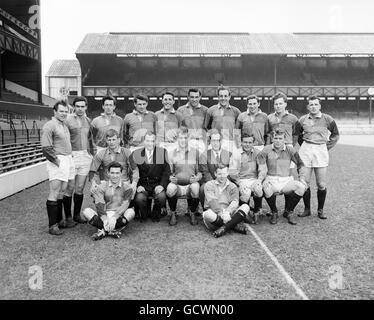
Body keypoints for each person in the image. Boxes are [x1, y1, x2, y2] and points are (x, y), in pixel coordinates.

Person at [295, 95, 340, 220]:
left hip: (321, 150)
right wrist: (304, 145)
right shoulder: (302, 119)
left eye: (316, 104)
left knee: (321, 183)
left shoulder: (327, 119)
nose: (313, 107)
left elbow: (335, 134)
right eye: (311, 104)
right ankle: (307, 209)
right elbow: (297, 134)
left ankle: (320, 210)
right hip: (306, 150)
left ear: (320, 106)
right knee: (304, 182)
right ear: (307, 106)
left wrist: (327, 146)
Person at [258, 129, 307, 225]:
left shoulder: (290, 150)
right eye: (276, 138)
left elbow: (300, 164)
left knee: (301, 187)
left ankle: (288, 211)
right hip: (271, 179)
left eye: (280, 138)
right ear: (272, 139)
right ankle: (274, 212)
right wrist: (262, 179)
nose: (278, 141)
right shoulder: (266, 149)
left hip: (286, 181)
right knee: (266, 187)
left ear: (285, 139)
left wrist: (302, 178)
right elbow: (262, 167)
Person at [41, 100, 75, 235]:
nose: (64, 113)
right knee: (54, 191)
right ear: (55, 111)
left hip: (68, 158)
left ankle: (60, 220)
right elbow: (46, 147)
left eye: (66, 111)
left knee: (63, 190)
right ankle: (52, 225)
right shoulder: (50, 125)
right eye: (61, 111)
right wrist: (57, 161)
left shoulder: (63, 125)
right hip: (58, 160)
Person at [62, 96, 95, 226]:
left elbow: (91, 140)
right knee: (69, 187)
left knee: (80, 187)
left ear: (86, 107)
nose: (80, 109)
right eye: (78, 106)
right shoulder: (67, 120)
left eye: (83, 106)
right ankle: (68, 217)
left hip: (85, 156)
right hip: (72, 155)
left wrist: (92, 155)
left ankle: (76, 215)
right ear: (74, 107)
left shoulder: (88, 121)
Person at [82, 162, 135, 240]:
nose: (115, 176)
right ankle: (112, 230)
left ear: (121, 173)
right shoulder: (101, 187)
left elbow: (125, 205)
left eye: (117, 173)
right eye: (112, 173)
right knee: (86, 211)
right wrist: (105, 219)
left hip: (119, 217)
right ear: (108, 173)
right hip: (104, 215)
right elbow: (100, 205)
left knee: (131, 212)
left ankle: (103, 231)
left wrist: (114, 217)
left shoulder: (127, 188)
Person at [131, 131, 171, 222]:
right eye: (148, 141)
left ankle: (156, 213)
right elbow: (133, 172)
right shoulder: (136, 153)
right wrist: (138, 186)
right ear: (144, 141)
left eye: (152, 141)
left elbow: (167, 171)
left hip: (157, 183)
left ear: (155, 141)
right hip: (143, 184)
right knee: (140, 198)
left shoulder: (162, 152)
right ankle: (144, 214)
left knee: (161, 197)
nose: (150, 143)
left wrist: (162, 185)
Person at [203, 164, 251, 238]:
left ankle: (224, 228)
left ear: (227, 173)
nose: (222, 176)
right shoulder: (209, 185)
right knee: (207, 214)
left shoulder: (233, 186)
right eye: (219, 174)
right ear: (215, 174)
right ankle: (234, 226)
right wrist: (221, 213)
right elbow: (212, 202)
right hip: (215, 216)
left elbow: (235, 202)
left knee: (245, 206)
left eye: (224, 173)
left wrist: (228, 212)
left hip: (229, 214)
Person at [166, 126, 201, 226]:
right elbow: (169, 172)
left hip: (190, 185)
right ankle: (173, 213)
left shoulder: (195, 152)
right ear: (177, 139)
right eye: (181, 138)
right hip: (178, 185)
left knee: (195, 187)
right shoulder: (171, 153)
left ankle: (192, 212)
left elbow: (200, 172)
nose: (183, 140)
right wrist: (170, 177)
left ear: (188, 138)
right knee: (170, 188)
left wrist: (197, 178)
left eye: (185, 138)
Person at [89, 129, 139, 197]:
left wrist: (134, 183)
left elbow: (135, 169)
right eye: (109, 140)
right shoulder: (101, 153)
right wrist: (93, 183)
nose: (111, 142)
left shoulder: (127, 152)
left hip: (123, 183)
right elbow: (93, 171)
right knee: (96, 191)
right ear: (106, 141)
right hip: (108, 183)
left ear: (118, 140)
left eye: (113, 139)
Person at [229, 133, 267, 224]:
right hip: (241, 179)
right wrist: (239, 183)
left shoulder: (259, 153)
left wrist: (259, 180)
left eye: (250, 142)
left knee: (258, 189)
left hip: (254, 179)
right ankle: (245, 212)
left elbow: (263, 169)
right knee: (246, 193)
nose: (247, 144)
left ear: (253, 143)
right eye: (245, 142)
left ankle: (257, 211)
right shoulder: (236, 154)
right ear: (241, 142)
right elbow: (232, 172)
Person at [198, 129, 232, 210]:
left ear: (221, 141)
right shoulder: (204, 155)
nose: (216, 143)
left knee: (234, 187)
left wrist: (223, 182)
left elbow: (230, 171)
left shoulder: (228, 154)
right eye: (213, 140)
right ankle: (205, 210)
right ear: (210, 142)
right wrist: (215, 184)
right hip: (210, 181)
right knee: (203, 188)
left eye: (218, 140)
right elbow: (205, 172)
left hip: (225, 180)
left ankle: (230, 210)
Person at [204, 85, 241, 155]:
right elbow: (206, 128)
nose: (223, 98)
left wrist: (238, 145)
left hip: (231, 143)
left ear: (229, 97)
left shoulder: (236, 111)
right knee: (215, 164)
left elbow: (238, 130)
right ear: (218, 97)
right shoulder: (211, 110)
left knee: (230, 165)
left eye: (225, 96)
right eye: (221, 96)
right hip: (215, 142)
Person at [178, 88, 208, 153]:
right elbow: (179, 128)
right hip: (187, 142)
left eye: (196, 97)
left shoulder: (205, 110)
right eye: (192, 97)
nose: (194, 99)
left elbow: (207, 129)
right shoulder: (181, 110)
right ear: (188, 97)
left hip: (201, 143)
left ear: (200, 97)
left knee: (202, 162)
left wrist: (206, 144)